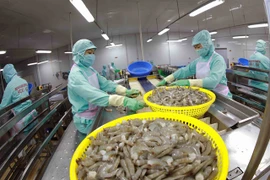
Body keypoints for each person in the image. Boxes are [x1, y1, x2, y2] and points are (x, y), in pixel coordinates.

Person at [68, 39, 146, 134]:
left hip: (95, 111)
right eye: (89, 52)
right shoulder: (76, 75)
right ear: (79, 54)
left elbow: (105, 83)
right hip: (86, 120)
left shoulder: (89, 69)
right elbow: (92, 94)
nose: (92, 55)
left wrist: (124, 91)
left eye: (93, 53)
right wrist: (123, 101)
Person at [157, 30, 232, 98]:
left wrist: (188, 82)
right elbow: (185, 70)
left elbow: (213, 81)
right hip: (206, 95)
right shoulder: (199, 60)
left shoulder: (218, 60)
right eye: (195, 47)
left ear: (207, 44)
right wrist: (168, 78)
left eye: (198, 46)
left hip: (221, 97)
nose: (197, 50)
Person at [0, 64, 37, 136]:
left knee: (14, 136)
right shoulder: (23, 81)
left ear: (7, 75)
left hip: (23, 120)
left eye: (4, 77)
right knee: (33, 135)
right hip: (32, 114)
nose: (5, 79)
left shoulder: (10, 86)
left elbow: (3, 106)